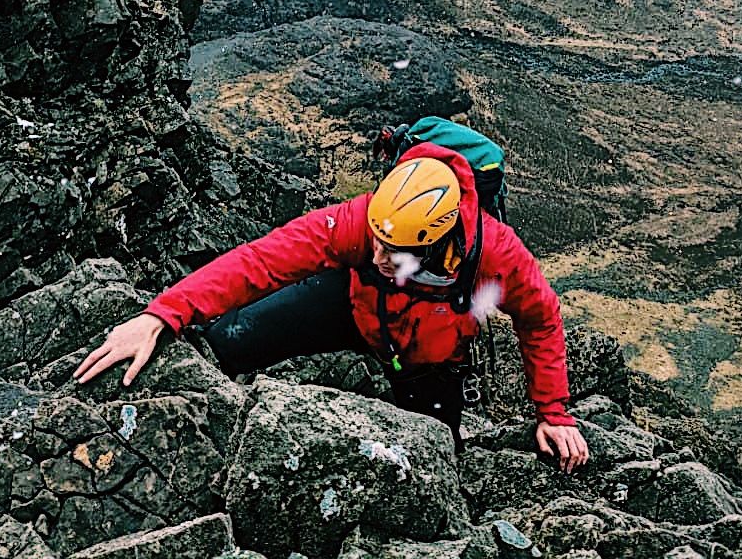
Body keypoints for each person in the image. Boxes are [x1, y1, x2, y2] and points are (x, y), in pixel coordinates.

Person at [75, 140, 590, 471]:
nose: (379, 256)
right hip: (352, 309)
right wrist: (161, 314)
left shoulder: (497, 255)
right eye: (376, 243)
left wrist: (554, 413)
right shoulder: (362, 220)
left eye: (396, 253)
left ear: (435, 241)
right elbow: (262, 261)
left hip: (431, 359)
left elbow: (540, 320)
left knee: (436, 459)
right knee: (229, 339)